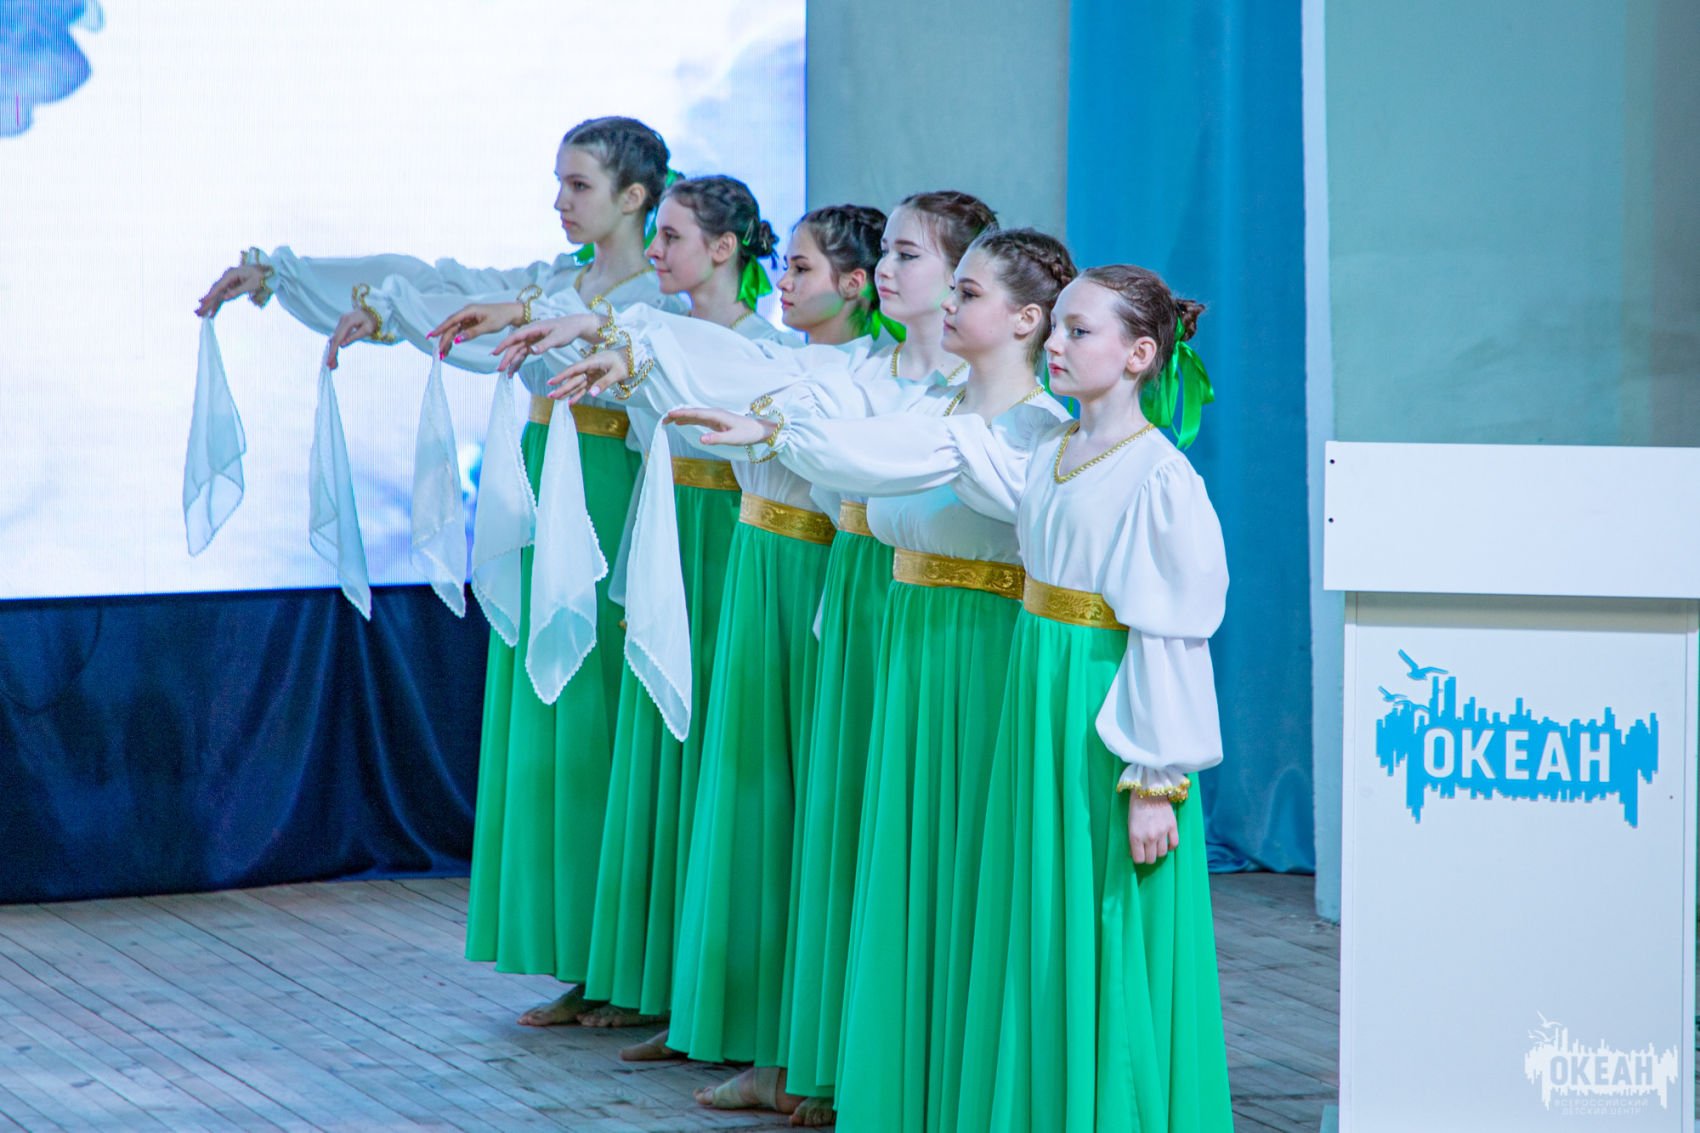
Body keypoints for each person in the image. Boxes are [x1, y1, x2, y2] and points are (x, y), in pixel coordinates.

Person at [695, 263, 1236, 1131]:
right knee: (1032, 907)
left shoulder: (1159, 476)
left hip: (1098, 706)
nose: (1057, 345)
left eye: (1080, 331)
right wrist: (772, 433)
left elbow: (1171, 633)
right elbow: (911, 452)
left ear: (1139, 354)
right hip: (1036, 691)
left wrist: (1154, 775)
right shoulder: (1045, 452)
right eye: (1056, 327)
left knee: (1098, 910)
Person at [194, 116, 684, 1028]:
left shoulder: (663, 305)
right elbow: (441, 288)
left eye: (579, 185)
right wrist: (292, 279)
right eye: (559, 181)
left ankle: (642, 966)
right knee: (559, 727)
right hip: (545, 494)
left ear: (635, 197)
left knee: (618, 725)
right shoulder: (553, 283)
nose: (560, 200)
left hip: (615, 504)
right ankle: (586, 956)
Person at [664, 227, 1077, 1131]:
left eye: (970, 293)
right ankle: (901, 1073)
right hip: (913, 646)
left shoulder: (1036, 430)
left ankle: (965, 1084)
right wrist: (772, 427)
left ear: (1026, 320)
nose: (951, 305)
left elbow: (904, 458)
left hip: (982, 655)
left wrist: (779, 431)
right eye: (954, 289)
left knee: (966, 866)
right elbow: (871, 448)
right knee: (898, 860)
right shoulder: (932, 408)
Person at [497, 173, 795, 1047]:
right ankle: (626, 968)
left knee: (709, 759)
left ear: (724, 248)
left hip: (728, 535)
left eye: (672, 238)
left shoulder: (760, 348)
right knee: (653, 757)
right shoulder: (654, 328)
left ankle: (693, 989)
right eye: (655, 236)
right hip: (664, 528)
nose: (656, 253)